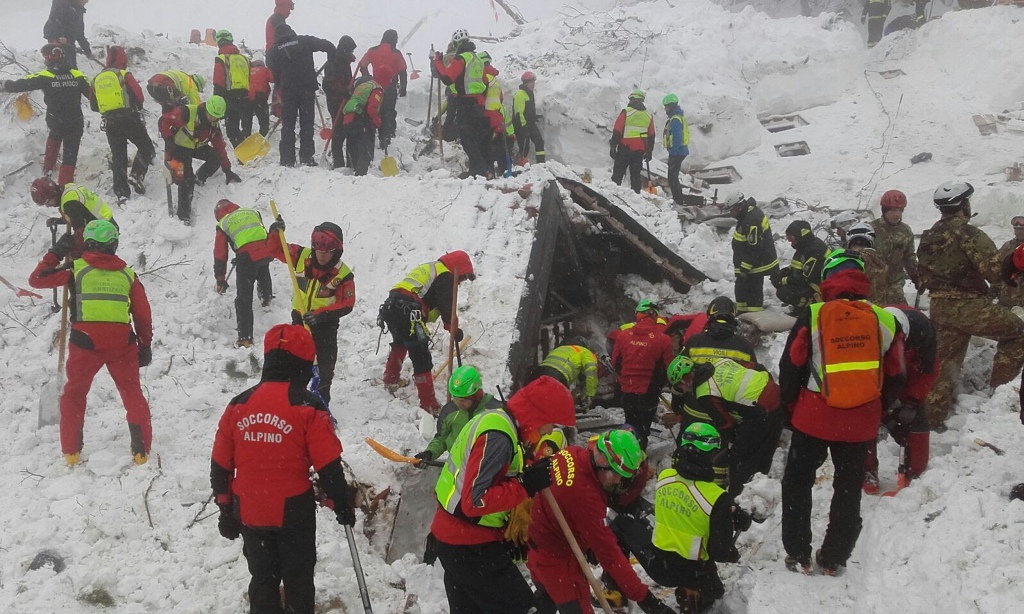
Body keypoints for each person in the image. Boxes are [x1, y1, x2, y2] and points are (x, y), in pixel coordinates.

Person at [210, 323, 356, 614]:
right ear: (303, 363)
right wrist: (341, 501)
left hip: (249, 509)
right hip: (293, 512)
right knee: (298, 578)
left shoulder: (238, 404)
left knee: (263, 578)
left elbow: (219, 465)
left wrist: (226, 509)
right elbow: (328, 465)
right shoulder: (308, 406)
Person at [779, 249, 904, 574]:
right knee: (848, 487)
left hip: (813, 418)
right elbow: (897, 373)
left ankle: (798, 553)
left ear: (828, 280)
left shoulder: (814, 314)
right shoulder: (885, 318)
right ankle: (834, 557)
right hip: (860, 423)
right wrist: (878, 409)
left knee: (796, 482)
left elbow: (791, 365)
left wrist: (789, 408)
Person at [431, 374, 573, 614]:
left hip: (457, 540)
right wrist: (525, 485)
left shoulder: (496, 422)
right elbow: (475, 501)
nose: (549, 430)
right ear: (536, 415)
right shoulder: (498, 436)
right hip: (469, 547)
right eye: (550, 423)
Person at [28, 220, 153, 466]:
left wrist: (57, 251)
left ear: (88, 243)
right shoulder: (128, 274)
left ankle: (72, 453)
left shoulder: (76, 269)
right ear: (114, 244)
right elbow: (142, 314)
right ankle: (141, 452)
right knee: (132, 393)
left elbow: (37, 279)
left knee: (74, 395)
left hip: (85, 342)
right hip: (122, 344)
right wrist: (145, 345)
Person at [611, 423, 752, 614]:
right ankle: (693, 592)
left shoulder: (665, 477)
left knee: (621, 523)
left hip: (658, 564)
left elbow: (690, 495)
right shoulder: (717, 498)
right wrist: (731, 516)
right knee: (712, 590)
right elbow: (719, 552)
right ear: (711, 455)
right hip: (693, 572)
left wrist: (729, 510)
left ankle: (614, 592)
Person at [529, 430, 675, 614]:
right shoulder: (586, 498)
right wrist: (645, 598)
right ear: (602, 462)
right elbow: (610, 556)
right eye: (616, 474)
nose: (618, 481)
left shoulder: (572, 453)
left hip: (538, 545)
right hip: (557, 562)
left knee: (545, 599)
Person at [917, 182, 1024, 430]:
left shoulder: (928, 237)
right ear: (964, 205)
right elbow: (995, 271)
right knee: (1018, 333)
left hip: (940, 307)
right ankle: (1000, 394)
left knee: (943, 364)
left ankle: (930, 421)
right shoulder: (969, 234)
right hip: (968, 305)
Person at [266, 219, 354, 405]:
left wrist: (322, 314)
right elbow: (275, 249)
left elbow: (347, 303)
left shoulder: (343, 274)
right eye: (319, 251)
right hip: (299, 319)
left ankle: (321, 403)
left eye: (327, 252)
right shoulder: (300, 256)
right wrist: (275, 232)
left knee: (324, 367)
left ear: (336, 251)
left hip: (325, 326)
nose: (322, 256)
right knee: (294, 361)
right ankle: (294, 399)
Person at [666, 355, 782, 496]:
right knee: (764, 452)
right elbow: (758, 367)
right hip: (777, 398)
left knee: (740, 461)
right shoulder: (719, 361)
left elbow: (726, 424)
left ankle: (738, 500)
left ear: (686, 379)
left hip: (760, 413)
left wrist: (736, 442)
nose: (683, 391)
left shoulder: (704, 392)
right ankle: (761, 492)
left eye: (679, 386)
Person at [379, 250, 475, 412]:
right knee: (421, 357)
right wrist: (454, 329)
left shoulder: (431, 268)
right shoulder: (446, 277)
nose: (460, 283)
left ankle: (391, 379)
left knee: (400, 344)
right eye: (462, 278)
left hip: (392, 306)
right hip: (409, 312)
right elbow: (447, 309)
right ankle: (429, 404)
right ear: (458, 269)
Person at [863, 306, 938, 492]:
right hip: (878, 375)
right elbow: (868, 385)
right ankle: (867, 468)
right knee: (866, 416)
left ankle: (915, 471)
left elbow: (929, 370)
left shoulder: (922, 329)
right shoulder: (869, 334)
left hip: (911, 370)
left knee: (917, 418)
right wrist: (887, 418)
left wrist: (912, 402)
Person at [0, 44, 89, 185]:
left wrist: (4, 84)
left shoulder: (45, 76)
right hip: (75, 121)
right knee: (69, 158)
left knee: (54, 138)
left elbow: (21, 84)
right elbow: (93, 95)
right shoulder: (77, 75)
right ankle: (64, 187)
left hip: (56, 121)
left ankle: (47, 172)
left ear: (48, 58)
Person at [159, 95, 241, 223]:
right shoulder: (187, 113)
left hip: (196, 147)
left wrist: (227, 169)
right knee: (185, 181)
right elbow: (164, 121)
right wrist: (168, 139)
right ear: (206, 108)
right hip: (179, 148)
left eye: (217, 116)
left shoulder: (214, 126)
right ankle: (183, 216)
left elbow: (220, 147)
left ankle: (199, 178)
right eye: (211, 115)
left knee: (215, 157)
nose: (213, 118)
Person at [89, 45, 154, 203]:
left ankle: (122, 193)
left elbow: (93, 106)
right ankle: (136, 175)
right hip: (129, 119)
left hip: (110, 122)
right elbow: (139, 97)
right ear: (123, 59)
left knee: (119, 158)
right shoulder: (124, 74)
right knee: (147, 148)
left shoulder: (96, 79)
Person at [267, 24, 336, 167]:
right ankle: (306, 157)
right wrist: (332, 61)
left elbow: (273, 72)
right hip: (306, 90)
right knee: (307, 124)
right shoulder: (304, 41)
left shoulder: (274, 52)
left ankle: (287, 160)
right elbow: (329, 46)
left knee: (288, 125)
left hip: (288, 92)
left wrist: (281, 83)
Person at [431, 30, 497, 178]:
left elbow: (447, 78)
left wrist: (437, 62)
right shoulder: (477, 59)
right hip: (478, 104)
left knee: (467, 140)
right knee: (476, 139)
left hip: (465, 103)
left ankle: (483, 170)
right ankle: (481, 170)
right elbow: (485, 82)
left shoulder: (461, 59)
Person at [612, 303, 676, 448]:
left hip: (626, 391)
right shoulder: (663, 340)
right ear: (655, 317)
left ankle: (624, 454)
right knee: (643, 429)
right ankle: (639, 456)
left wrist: (625, 379)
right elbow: (670, 368)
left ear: (638, 315)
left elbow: (616, 362)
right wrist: (659, 384)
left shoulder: (623, 336)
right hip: (649, 393)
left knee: (630, 425)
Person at [213, 200, 274, 348]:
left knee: (243, 299)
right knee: (262, 268)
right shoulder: (252, 211)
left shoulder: (224, 223)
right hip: (267, 249)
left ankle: (245, 338)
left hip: (247, 258)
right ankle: (266, 298)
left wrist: (220, 279)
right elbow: (256, 235)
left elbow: (220, 254)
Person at [415, 365, 501, 464]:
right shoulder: (450, 411)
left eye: (463, 399)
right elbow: (442, 439)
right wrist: (430, 453)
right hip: (457, 465)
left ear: (476, 395)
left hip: (486, 466)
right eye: (455, 398)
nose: (458, 403)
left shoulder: (494, 411)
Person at [31, 178, 117, 258]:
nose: (47, 206)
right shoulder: (68, 188)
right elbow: (80, 213)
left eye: (47, 201)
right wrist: (60, 220)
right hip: (105, 225)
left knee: (91, 267)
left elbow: (80, 232)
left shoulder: (69, 203)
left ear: (54, 193)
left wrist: (75, 256)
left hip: (104, 235)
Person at [726, 193, 779, 313]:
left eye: (731, 210)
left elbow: (755, 248)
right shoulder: (746, 215)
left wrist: (745, 268)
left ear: (738, 207)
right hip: (750, 262)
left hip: (756, 265)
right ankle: (743, 312)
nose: (730, 213)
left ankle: (754, 315)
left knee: (753, 290)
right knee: (742, 288)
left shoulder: (751, 220)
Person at [356, 29, 407, 150]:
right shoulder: (396, 53)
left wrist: (367, 78)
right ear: (394, 39)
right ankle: (386, 137)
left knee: (374, 110)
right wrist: (403, 88)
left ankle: (372, 133)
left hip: (374, 87)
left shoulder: (372, 50)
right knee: (388, 112)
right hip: (390, 87)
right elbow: (403, 72)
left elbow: (362, 65)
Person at [870, 189, 919, 305]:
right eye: (893, 210)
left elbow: (909, 258)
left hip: (895, 288)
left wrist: (917, 278)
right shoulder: (871, 230)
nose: (897, 214)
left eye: (900, 210)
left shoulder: (905, 231)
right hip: (873, 289)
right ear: (884, 210)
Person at [683, 296, 759, 368]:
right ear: (733, 317)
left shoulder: (694, 342)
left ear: (709, 315)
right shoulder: (745, 346)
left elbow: (678, 371)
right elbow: (755, 375)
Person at [772, 220, 828, 313]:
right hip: (809, 282)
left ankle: (810, 306)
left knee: (784, 292)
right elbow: (799, 265)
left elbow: (806, 278)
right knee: (783, 286)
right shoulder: (805, 245)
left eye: (792, 239)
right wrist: (785, 271)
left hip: (818, 287)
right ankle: (800, 306)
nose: (791, 242)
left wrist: (783, 280)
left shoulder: (814, 250)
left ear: (801, 236)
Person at [610, 88, 655, 194]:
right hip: (639, 151)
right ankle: (636, 196)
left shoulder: (627, 112)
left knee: (617, 176)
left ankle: (612, 195)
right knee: (635, 177)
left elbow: (617, 130)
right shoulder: (648, 116)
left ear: (631, 100)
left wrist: (613, 145)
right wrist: (649, 151)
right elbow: (651, 135)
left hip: (624, 149)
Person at [212, 30, 251, 148]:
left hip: (230, 98)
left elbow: (218, 81)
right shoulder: (245, 59)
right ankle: (249, 150)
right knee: (245, 128)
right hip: (245, 97)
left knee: (232, 129)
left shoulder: (221, 58)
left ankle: (244, 154)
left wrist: (217, 99)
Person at [535, 338, 599, 411]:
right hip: (557, 376)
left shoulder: (561, 349)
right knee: (559, 410)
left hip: (537, 373)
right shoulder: (585, 352)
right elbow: (591, 372)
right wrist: (590, 395)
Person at [322, 36, 357, 168]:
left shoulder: (345, 63)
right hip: (336, 102)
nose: (351, 53)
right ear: (344, 49)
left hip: (346, 101)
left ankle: (350, 164)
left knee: (349, 132)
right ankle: (338, 164)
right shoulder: (333, 63)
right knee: (338, 133)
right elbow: (328, 85)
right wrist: (343, 91)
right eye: (350, 51)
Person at [341, 74, 386, 176]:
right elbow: (371, 109)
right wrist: (379, 124)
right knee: (365, 151)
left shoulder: (360, 87)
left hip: (348, 120)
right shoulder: (376, 88)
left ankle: (355, 175)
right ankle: (360, 177)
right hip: (360, 119)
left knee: (354, 149)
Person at [479, 52, 515, 176]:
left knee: (486, 149)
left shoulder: (483, 78)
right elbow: (500, 98)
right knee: (502, 150)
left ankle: (488, 173)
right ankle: (505, 173)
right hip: (498, 117)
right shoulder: (495, 80)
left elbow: (479, 97)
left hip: (486, 117)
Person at [43, 0, 91, 69]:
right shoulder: (62, 3)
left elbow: (80, 34)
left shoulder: (78, 10)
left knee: (71, 62)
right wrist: (60, 36)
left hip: (69, 39)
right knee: (58, 60)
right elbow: (54, 19)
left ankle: (72, 75)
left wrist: (87, 51)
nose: (87, 1)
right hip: (56, 37)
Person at [846, 222, 886, 303]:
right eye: (855, 245)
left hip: (873, 307)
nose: (859, 249)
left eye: (863, 245)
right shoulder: (844, 262)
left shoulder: (877, 264)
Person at [662, 93, 690, 205]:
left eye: (666, 107)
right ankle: (678, 198)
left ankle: (678, 200)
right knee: (673, 176)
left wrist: (673, 153)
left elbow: (678, 137)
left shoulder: (675, 119)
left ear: (671, 106)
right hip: (680, 151)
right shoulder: (678, 116)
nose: (665, 109)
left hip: (677, 152)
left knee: (672, 177)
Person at [513, 71, 545, 164]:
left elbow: (527, 110)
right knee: (524, 148)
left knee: (539, 142)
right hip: (521, 126)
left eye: (534, 83)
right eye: (531, 83)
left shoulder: (529, 93)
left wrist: (534, 116)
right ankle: (519, 166)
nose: (533, 85)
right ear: (526, 83)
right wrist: (524, 128)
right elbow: (519, 113)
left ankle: (541, 164)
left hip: (530, 124)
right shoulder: (520, 94)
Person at [993, 216, 1024, 308]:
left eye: (1022, 230)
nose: (1018, 232)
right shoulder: (1007, 246)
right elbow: (997, 268)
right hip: (1006, 300)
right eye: (1016, 229)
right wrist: (993, 290)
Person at [244, 59, 274, 138]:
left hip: (247, 98)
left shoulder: (248, 70)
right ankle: (261, 141)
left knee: (246, 123)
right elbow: (273, 79)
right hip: (260, 97)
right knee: (264, 122)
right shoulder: (265, 70)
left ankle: (245, 141)